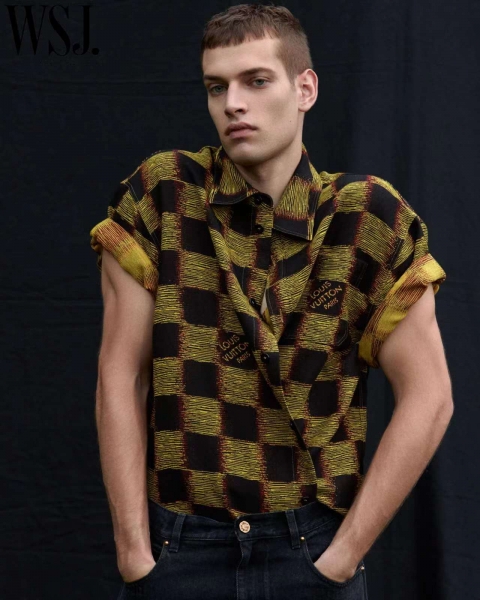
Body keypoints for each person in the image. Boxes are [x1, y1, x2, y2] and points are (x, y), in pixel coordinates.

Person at [89, 4, 454, 599]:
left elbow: (430, 396)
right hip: (180, 549)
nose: (233, 103)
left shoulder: (368, 219)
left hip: (310, 549)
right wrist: (133, 552)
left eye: (256, 81)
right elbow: (120, 374)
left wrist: (344, 555)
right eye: (217, 87)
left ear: (305, 88)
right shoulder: (163, 196)